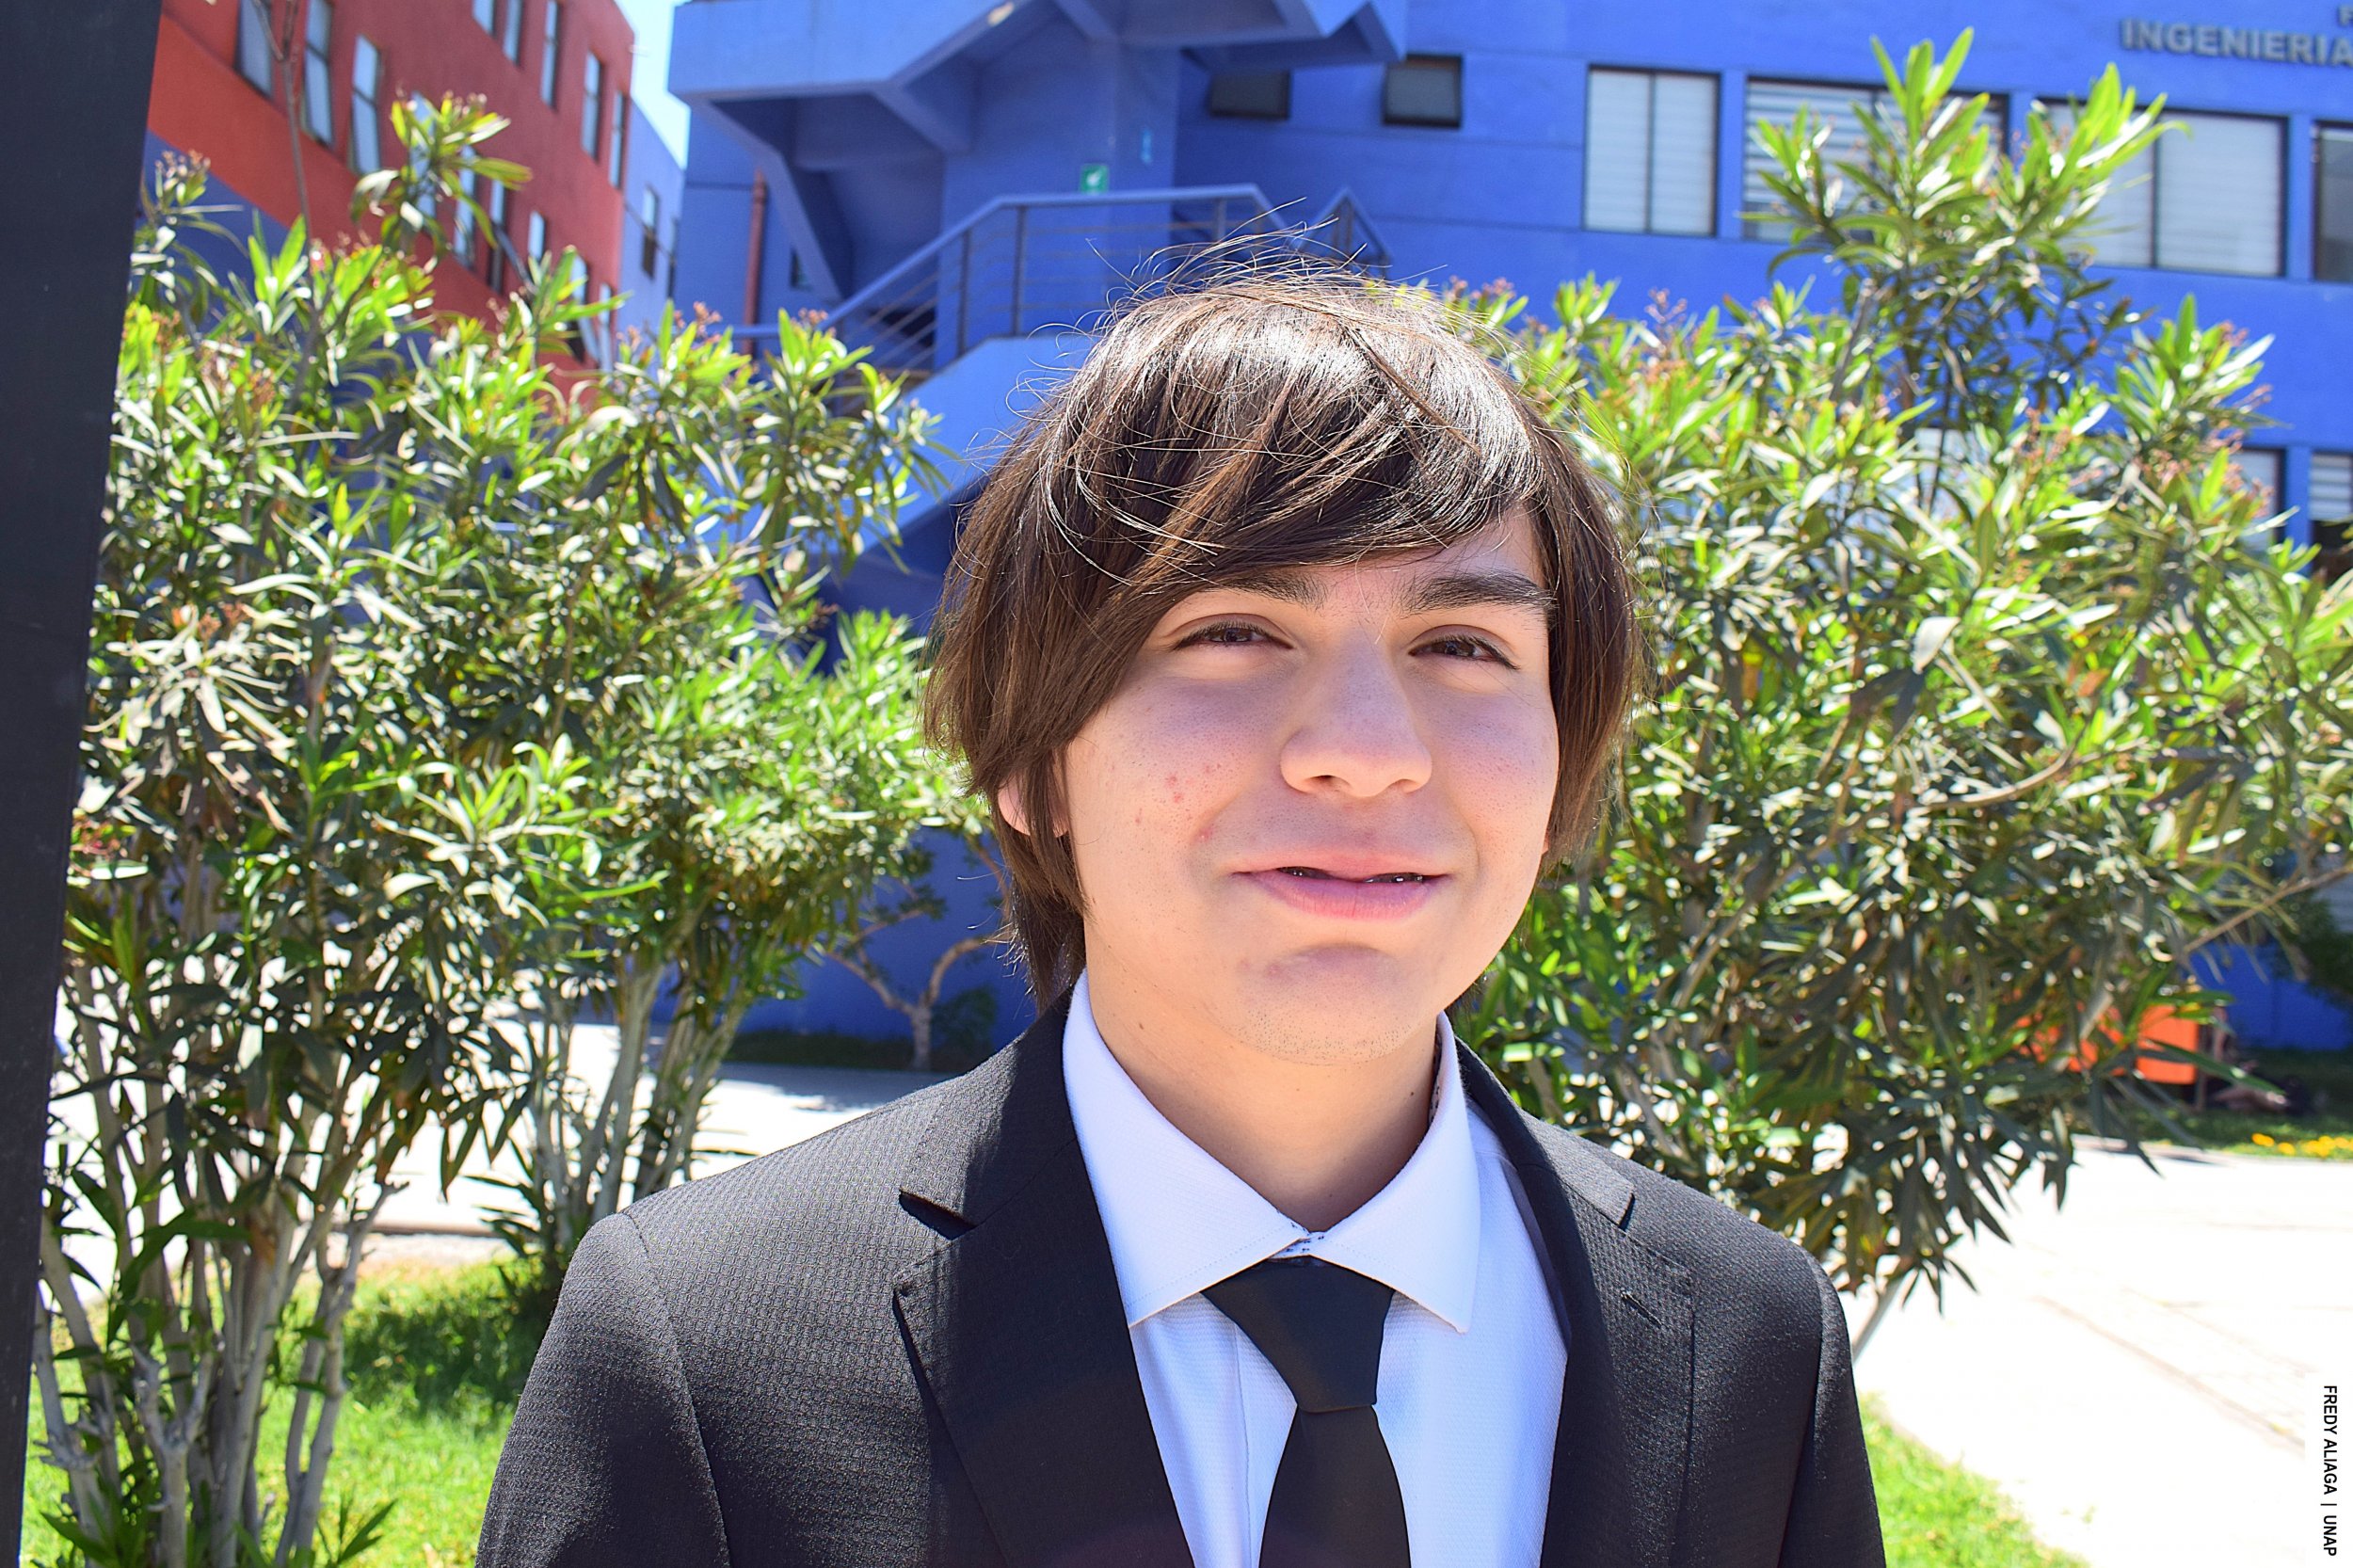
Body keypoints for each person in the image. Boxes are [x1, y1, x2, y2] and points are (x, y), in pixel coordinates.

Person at [476, 276, 1883, 1568]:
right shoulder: (702, 1355)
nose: (1366, 752)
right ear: (1032, 755)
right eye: (1233, 633)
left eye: (1462, 644)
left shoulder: (1750, 1349)